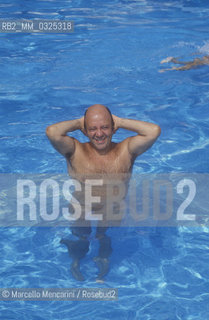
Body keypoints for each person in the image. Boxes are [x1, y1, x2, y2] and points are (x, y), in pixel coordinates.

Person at [46, 104, 161, 282]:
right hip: (81, 209)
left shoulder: (126, 149)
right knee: (81, 237)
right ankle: (76, 260)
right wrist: (79, 123)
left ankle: (103, 259)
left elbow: (153, 131)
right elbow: (52, 131)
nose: (99, 134)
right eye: (92, 129)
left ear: (113, 128)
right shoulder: (75, 150)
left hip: (112, 209)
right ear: (85, 130)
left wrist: (121, 121)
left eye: (105, 127)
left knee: (104, 237)